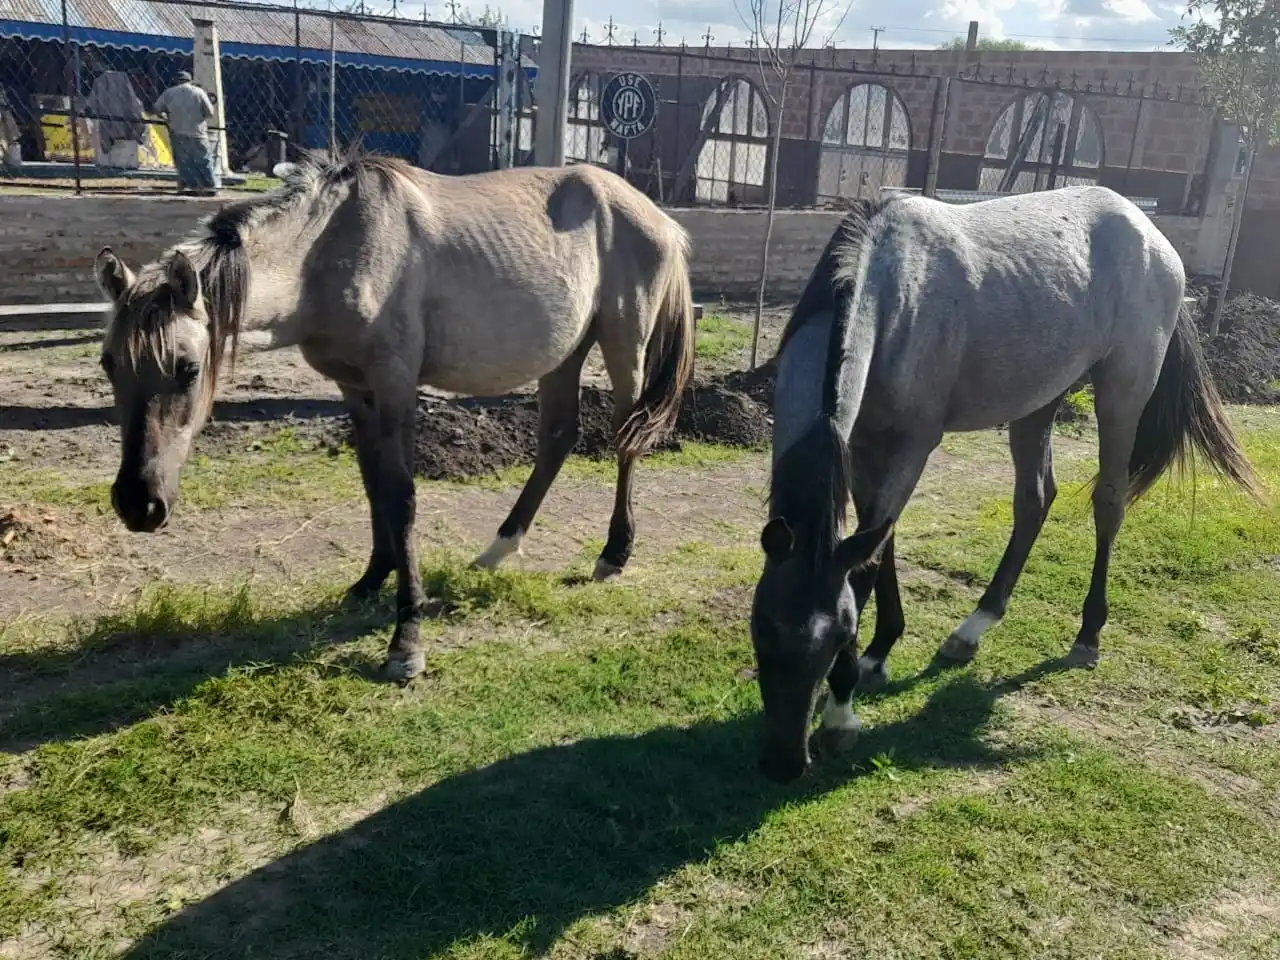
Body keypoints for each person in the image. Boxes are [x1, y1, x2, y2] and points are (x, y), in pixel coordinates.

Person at [154, 70, 217, 196]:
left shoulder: (169, 93)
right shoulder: (198, 92)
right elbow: (210, 112)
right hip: (197, 131)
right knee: (203, 159)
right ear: (190, 80)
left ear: (176, 81)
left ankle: (190, 186)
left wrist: (166, 117)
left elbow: (156, 108)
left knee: (184, 161)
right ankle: (209, 186)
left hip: (177, 131)